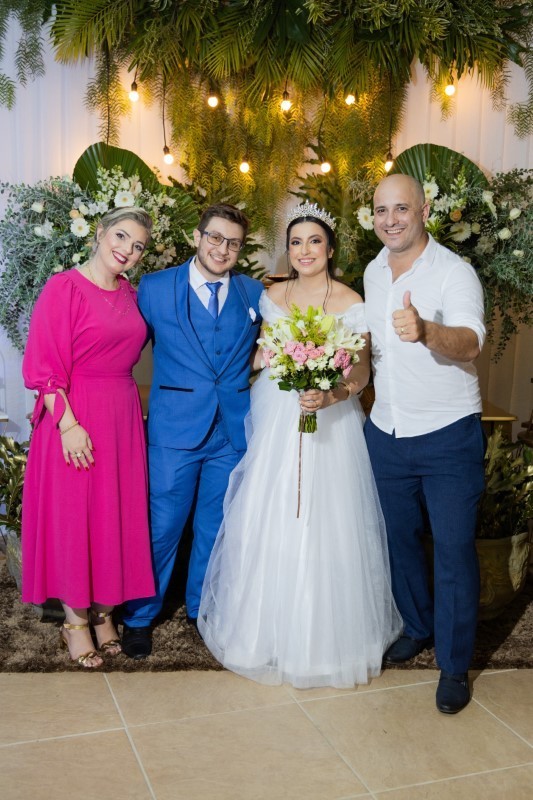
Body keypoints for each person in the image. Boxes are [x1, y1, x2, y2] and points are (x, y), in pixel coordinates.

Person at [198, 202, 402, 689]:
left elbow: (362, 368)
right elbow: (257, 353)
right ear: (287, 251)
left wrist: (332, 394)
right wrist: (265, 358)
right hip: (275, 414)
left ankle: (323, 640)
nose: (304, 250)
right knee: (268, 509)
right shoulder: (271, 295)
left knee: (326, 516)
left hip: (331, 420)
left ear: (330, 249)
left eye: (314, 241)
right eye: (295, 242)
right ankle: (259, 634)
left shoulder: (351, 300)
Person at [363, 173, 486, 714]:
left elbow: (472, 342)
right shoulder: (372, 271)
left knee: (454, 550)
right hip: (386, 432)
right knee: (400, 541)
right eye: (381, 210)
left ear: (424, 210)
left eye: (401, 209)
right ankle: (416, 626)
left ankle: (454, 666)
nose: (390, 220)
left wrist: (427, 330)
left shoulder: (454, 272)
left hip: (447, 435)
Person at [121, 203, 264, 659]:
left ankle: (203, 609)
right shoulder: (155, 288)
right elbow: (122, 345)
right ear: (197, 237)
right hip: (174, 431)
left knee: (215, 528)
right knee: (162, 528)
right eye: (215, 238)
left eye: (233, 243)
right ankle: (139, 616)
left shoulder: (254, 292)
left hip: (230, 431)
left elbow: (258, 352)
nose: (222, 249)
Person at [21, 206, 156, 668]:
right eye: (120, 236)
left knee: (111, 515)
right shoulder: (64, 288)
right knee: (75, 517)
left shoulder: (132, 294)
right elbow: (43, 366)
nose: (127, 250)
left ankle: (104, 613)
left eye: (137, 246)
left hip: (120, 416)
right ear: (99, 233)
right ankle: (75, 621)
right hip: (74, 415)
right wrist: (68, 425)